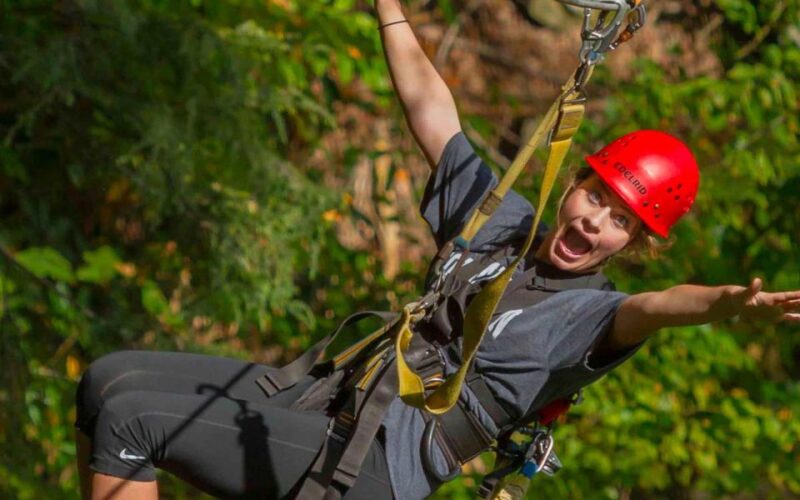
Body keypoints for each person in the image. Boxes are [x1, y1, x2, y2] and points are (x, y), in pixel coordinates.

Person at [75, 1, 800, 499]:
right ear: (574, 182)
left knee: (132, 419)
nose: (592, 223)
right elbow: (432, 110)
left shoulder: (590, 316)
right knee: (106, 380)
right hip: (335, 405)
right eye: (594, 198)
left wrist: (727, 306)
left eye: (618, 221)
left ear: (633, 244)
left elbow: (657, 308)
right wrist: (389, 9)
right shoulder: (501, 222)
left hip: (378, 466)